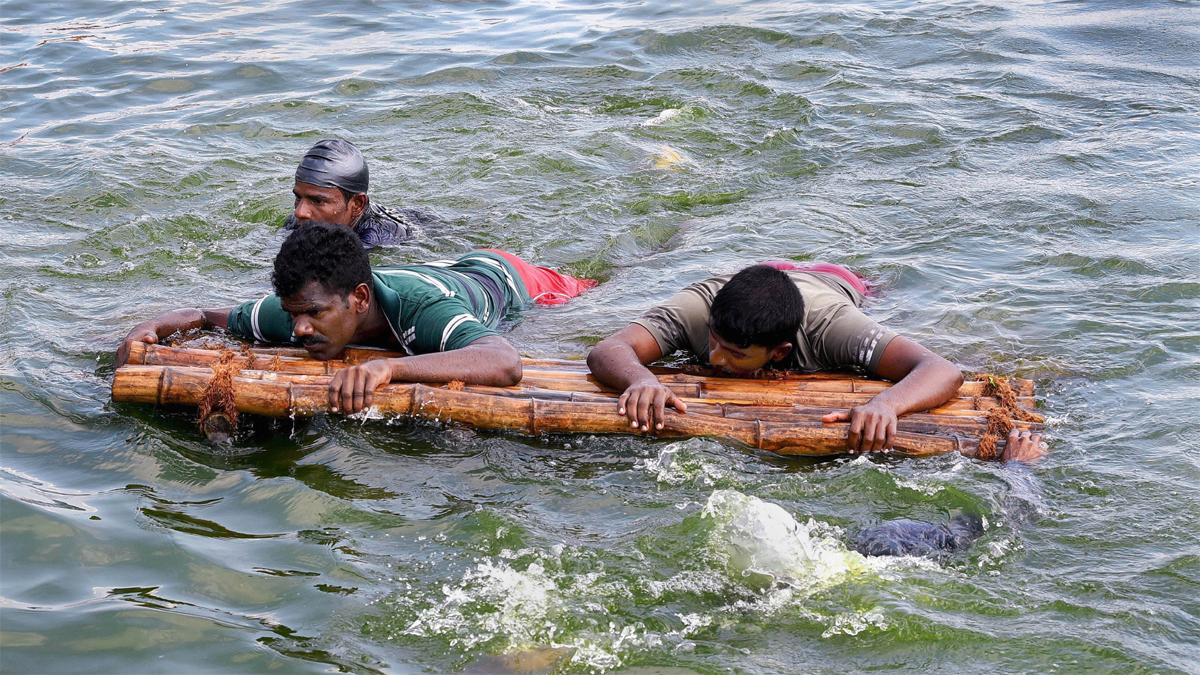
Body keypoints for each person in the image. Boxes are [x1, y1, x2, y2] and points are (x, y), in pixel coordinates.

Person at [116, 223, 595, 413]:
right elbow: (205, 315)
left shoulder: (424, 316)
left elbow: (504, 361)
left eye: (314, 315)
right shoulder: (300, 313)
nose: (300, 330)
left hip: (516, 282)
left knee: (603, 284)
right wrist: (151, 328)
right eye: (293, 315)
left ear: (360, 299)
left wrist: (388, 367)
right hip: (436, 273)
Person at [588, 261, 1039, 458]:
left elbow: (942, 370)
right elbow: (609, 350)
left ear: (780, 354)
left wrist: (886, 405)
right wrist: (638, 378)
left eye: (735, 355)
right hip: (763, 279)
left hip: (839, 283)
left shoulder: (833, 329)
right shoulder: (700, 309)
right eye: (714, 342)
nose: (713, 356)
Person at [284, 138, 438, 247]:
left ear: (357, 204)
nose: (300, 212)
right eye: (298, 197)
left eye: (317, 201)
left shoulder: (379, 241)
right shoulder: (300, 222)